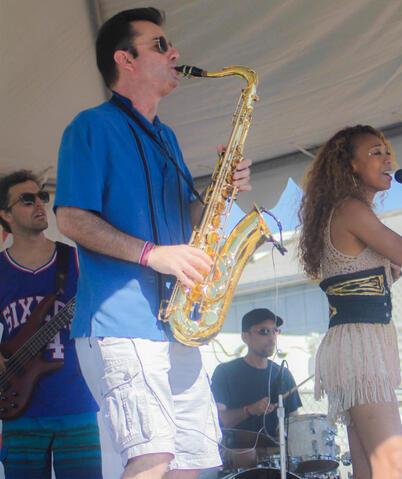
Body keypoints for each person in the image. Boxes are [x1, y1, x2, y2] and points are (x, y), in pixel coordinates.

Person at [53, 7, 252, 479]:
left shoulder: (167, 137)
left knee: (193, 462)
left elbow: (187, 221)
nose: (175, 52)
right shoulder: (90, 126)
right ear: (126, 59)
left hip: (178, 322)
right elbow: (71, 218)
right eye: (160, 45)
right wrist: (151, 254)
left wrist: (220, 191)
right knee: (152, 458)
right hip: (122, 321)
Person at [297, 125, 402, 479]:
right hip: (360, 344)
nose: (389, 158)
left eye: (387, 150)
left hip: (360, 341)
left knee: (369, 468)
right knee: (391, 460)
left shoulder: (352, 212)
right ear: (350, 166)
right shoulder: (350, 210)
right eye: (376, 152)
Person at [0, 170, 101, 479]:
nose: (39, 204)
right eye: (27, 199)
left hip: (74, 404)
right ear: (5, 214)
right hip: (20, 409)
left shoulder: (75, 260)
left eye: (42, 197)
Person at [211, 308, 302, 438]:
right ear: (245, 337)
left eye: (274, 331)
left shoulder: (283, 374)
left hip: (277, 454)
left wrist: (285, 430)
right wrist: (249, 410)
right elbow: (219, 421)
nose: (272, 338)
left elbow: (294, 421)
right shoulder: (225, 373)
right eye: (264, 331)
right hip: (239, 454)